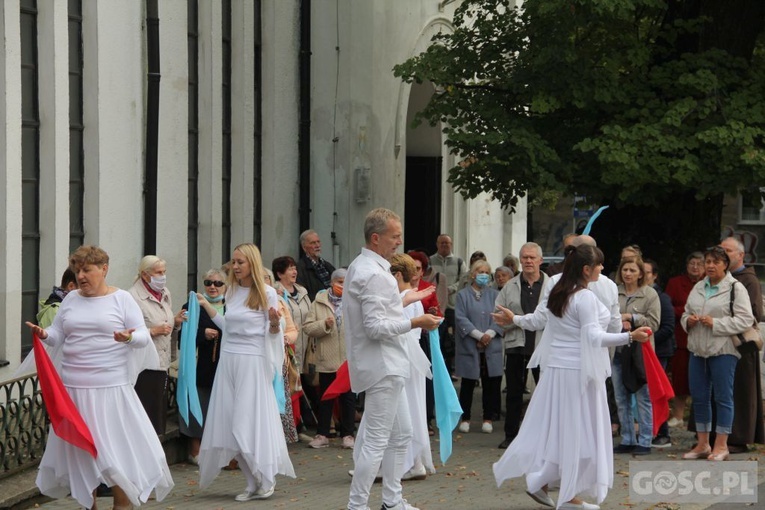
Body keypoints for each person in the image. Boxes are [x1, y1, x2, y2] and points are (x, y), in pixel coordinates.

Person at [492, 244, 652, 510]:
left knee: (563, 431)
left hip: (558, 371)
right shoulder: (583, 298)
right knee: (578, 433)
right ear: (586, 269)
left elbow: (537, 321)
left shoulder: (558, 290)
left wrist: (516, 319)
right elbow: (592, 337)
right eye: (599, 264)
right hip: (577, 373)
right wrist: (630, 336)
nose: (603, 268)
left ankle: (547, 483)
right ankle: (564, 495)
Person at [25, 245, 173, 510]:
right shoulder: (70, 299)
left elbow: (141, 336)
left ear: (104, 269)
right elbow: (59, 333)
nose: (81, 276)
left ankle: (122, 505)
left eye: (87, 270)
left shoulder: (122, 299)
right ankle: (88, 505)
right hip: (74, 390)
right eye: (77, 270)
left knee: (115, 453)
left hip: (110, 389)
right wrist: (45, 335)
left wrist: (128, 337)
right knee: (82, 453)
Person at [345, 208, 441, 510]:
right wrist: (417, 322)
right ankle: (357, 505)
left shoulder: (361, 267)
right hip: (384, 365)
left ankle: (392, 500)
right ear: (376, 238)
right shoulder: (375, 274)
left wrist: (405, 300)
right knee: (376, 441)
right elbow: (375, 328)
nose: (399, 242)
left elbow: (377, 316)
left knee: (402, 435)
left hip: (384, 364)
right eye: (394, 236)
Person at [197, 243, 295, 501]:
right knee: (228, 421)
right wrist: (207, 307)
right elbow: (227, 327)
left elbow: (272, 333)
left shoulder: (268, 294)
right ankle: (252, 481)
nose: (236, 266)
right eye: (234, 261)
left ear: (252, 262)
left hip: (253, 362)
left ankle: (265, 477)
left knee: (247, 420)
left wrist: (275, 325)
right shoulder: (230, 293)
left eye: (240, 262)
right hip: (229, 361)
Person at [681, 246, 754, 461]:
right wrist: (688, 321)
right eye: (707, 262)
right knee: (700, 398)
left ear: (725, 265)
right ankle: (703, 444)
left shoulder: (735, 288)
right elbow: (686, 312)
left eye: (715, 262)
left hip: (723, 350)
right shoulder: (698, 286)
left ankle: (721, 445)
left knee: (723, 397)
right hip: (697, 349)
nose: (710, 266)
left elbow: (746, 319)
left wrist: (716, 323)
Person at [494, 243, 548, 449]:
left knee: (544, 394)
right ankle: (511, 436)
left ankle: (543, 437)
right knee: (514, 393)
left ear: (540, 261)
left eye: (532, 258)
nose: (528, 261)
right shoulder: (511, 286)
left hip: (542, 347)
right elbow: (498, 314)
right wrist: (511, 321)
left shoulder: (551, 285)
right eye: (524, 257)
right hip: (516, 345)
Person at [390, 253, 434, 481]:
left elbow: (397, 327)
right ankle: (415, 461)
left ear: (397, 275)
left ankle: (408, 461)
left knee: (405, 408)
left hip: (404, 356)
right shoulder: (412, 298)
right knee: (414, 407)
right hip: (413, 355)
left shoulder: (405, 299)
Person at [128, 255, 185, 435]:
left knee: (159, 412)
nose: (162, 276)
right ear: (145, 275)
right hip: (144, 364)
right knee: (146, 411)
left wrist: (175, 321)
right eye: (158, 273)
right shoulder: (132, 297)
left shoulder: (164, 292)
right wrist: (152, 331)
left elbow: (164, 320)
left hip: (162, 360)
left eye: (164, 272)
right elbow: (127, 331)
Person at [718, 237, 764, 452]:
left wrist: (722, 321)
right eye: (721, 250)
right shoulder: (719, 278)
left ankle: (739, 437)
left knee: (741, 391)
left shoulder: (748, 280)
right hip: (719, 343)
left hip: (740, 346)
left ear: (740, 255)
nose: (723, 254)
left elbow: (754, 314)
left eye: (728, 250)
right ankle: (717, 436)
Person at [302, 268, 356, 449]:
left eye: (346, 282)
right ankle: (322, 433)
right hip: (326, 358)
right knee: (325, 398)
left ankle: (348, 435)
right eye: (340, 282)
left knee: (348, 398)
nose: (343, 285)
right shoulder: (319, 302)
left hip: (347, 359)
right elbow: (308, 328)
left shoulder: (354, 300)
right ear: (332, 283)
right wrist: (324, 324)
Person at [611, 256, 660, 455]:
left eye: (632, 270)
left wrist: (633, 317)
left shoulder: (650, 294)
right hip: (617, 352)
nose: (628, 274)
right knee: (621, 398)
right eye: (625, 270)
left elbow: (654, 323)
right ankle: (628, 438)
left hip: (640, 354)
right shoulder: (614, 292)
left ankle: (645, 440)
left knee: (643, 398)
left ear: (640, 273)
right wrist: (618, 322)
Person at [179, 269, 226, 464]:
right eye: (208, 283)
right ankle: (195, 451)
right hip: (202, 365)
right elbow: (182, 339)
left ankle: (223, 453)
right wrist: (201, 334)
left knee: (224, 409)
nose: (212, 287)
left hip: (226, 364)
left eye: (217, 283)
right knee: (199, 403)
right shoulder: (191, 305)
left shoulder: (231, 306)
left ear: (225, 286)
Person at [455, 260, 504, 434]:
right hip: (471, 345)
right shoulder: (462, 295)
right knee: (468, 384)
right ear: (473, 274)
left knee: (490, 384)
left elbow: (500, 316)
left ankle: (487, 418)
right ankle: (466, 418)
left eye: (486, 271)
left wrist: (488, 335)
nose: (483, 274)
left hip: (491, 345)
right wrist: (477, 335)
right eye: (479, 271)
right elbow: (461, 318)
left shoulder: (495, 294)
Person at [664, 251, 704, 428]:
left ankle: (699, 418)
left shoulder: (708, 284)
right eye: (692, 263)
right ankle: (678, 415)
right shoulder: (675, 283)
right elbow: (666, 307)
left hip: (703, 337)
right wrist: (684, 314)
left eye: (699, 264)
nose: (695, 267)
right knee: (680, 380)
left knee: (702, 380)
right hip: (681, 338)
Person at [264, 268, 300, 444]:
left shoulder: (280, 303)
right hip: (262, 360)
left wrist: (287, 338)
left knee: (280, 399)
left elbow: (292, 329)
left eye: (267, 279)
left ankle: (278, 440)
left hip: (280, 359)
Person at [643, 259, 676, 448]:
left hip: (659, 351)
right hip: (642, 351)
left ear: (654, 275)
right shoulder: (639, 294)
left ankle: (663, 432)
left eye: (648, 272)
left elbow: (668, 327)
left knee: (657, 392)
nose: (644, 276)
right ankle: (649, 430)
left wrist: (648, 339)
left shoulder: (661, 297)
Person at [430, 234, 468, 374]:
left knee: (453, 338)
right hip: (436, 306)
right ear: (437, 244)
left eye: (447, 243)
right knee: (439, 337)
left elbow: (464, 280)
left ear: (451, 244)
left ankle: (453, 368)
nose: (445, 245)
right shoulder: (430, 261)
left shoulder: (459, 262)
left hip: (453, 305)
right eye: (442, 243)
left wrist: (449, 289)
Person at [296, 229, 336, 300]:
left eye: (318, 242)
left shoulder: (327, 265)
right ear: (304, 247)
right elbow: (303, 295)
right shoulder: (300, 268)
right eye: (313, 243)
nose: (317, 245)